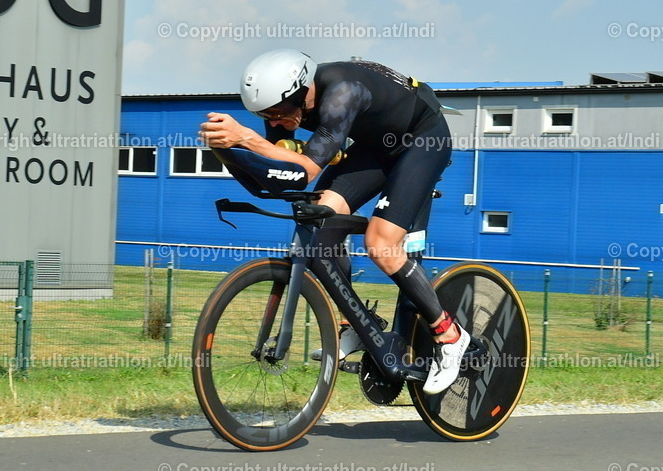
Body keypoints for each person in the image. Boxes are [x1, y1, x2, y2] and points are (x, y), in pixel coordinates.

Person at [199, 48, 468, 394]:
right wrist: (226, 150)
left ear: (301, 92)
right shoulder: (282, 103)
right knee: (321, 224)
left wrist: (245, 139)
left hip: (421, 140)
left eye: (278, 114)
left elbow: (306, 170)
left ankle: (450, 335)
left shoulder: (342, 93)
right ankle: (360, 324)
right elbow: (283, 167)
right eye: (265, 115)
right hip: (375, 148)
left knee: (381, 244)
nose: (274, 122)